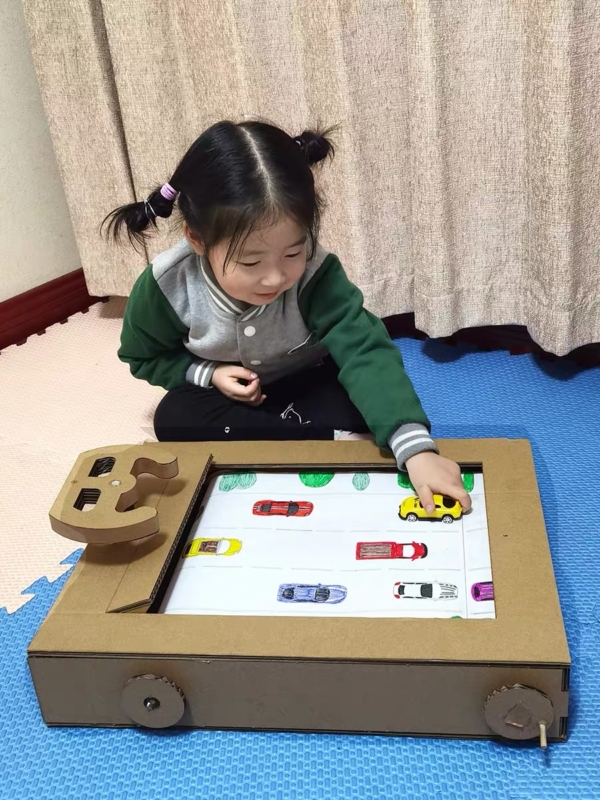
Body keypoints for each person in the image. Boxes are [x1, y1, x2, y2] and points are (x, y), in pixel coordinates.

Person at [104, 120, 471, 513]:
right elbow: (144, 357)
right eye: (250, 261)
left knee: (371, 398)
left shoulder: (318, 272)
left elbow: (363, 348)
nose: (276, 277)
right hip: (227, 395)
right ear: (197, 238)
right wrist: (208, 374)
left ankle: (311, 432)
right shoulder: (166, 284)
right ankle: (326, 438)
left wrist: (415, 449)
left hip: (308, 379)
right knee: (173, 418)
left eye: (293, 253)